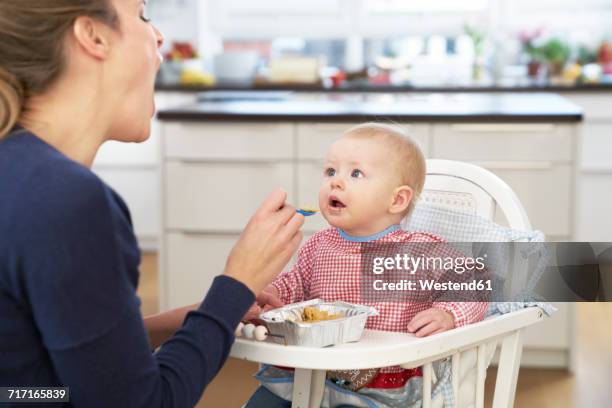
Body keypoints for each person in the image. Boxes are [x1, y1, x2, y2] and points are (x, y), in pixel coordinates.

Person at [0, 1, 303, 406]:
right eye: (142, 15)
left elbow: (39, 376)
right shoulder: (67, 201)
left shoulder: (17, 170)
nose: (159, 35)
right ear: (93, 36)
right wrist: (239, 281)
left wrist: (209, 312)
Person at [245, 123, 488, 408]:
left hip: (380, 387)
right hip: (313, 374)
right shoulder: (319, 244)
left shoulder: (419, 249)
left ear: (397, 200)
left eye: (355, 173)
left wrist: (448, 313)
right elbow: (297, 282)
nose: (335, 182)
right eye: (330, 171)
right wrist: (271, 293)